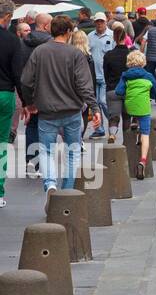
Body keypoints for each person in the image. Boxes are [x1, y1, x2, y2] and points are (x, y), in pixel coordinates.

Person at [20, 16, 100, 192]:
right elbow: (84, 85)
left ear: (51, 30)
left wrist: (30, 103)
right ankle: (68, 191)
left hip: (47, 111)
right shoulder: (76, 54)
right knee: (73, 153)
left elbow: (26, 81)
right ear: (69, 32)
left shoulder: (40, 52)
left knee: (46, 152)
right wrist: (94, 108)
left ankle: (50, 184)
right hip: (71, 111)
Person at [115, 50, 156, 181]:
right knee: (146, 133)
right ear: (143, 62)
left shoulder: (125, 76)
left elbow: (119, 91)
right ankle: (142, 161)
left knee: (132, 110)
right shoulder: (148, 75)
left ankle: (134, 123)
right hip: (144, 108)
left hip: (130, 107)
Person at [0, 0, 23, 209]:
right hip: (4, 95)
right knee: (1, 145)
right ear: (7, 17)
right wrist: (26, 102)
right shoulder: (12, 40)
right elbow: (18, 75)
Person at [101, 23, 132, 141]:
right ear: (126, 38)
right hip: (128, 89)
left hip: (113, 89)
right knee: (127, 116)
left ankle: (113, 134)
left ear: (114, 38)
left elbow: (106, 74)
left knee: (113, 117)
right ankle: (127, 139)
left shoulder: (109, 55)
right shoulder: (130, 54)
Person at [86, 12, 114, 136]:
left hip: (105, 74)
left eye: (101, 21)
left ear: (106, 22)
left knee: (102, 101)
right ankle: (99, 129)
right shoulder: (90, 36)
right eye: (97, 21)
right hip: (92, 74)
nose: (99, 24)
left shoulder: (112, 35)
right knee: (95, 104)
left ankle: (113, 122)